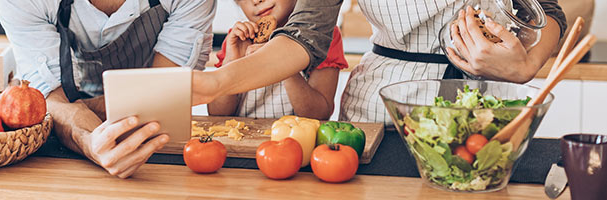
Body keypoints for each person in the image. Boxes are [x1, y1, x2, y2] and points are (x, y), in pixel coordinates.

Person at [0, 0, 215, 178]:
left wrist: (69, 111)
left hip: (158, 144)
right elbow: (51, 98)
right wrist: (88, 141)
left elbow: (163, 92)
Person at [339, 1, 567, 124]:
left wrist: (526, 67)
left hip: (486, 107)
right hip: (382, 110)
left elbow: (545, 9)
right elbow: (310, 27)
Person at [208, 0, 348, 120]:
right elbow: (217, 113)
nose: (257, 1)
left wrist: (283, 63)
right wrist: (232, 62)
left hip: (297, 143)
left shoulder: (323, 38)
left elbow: (319, 115)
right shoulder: (238, 39)